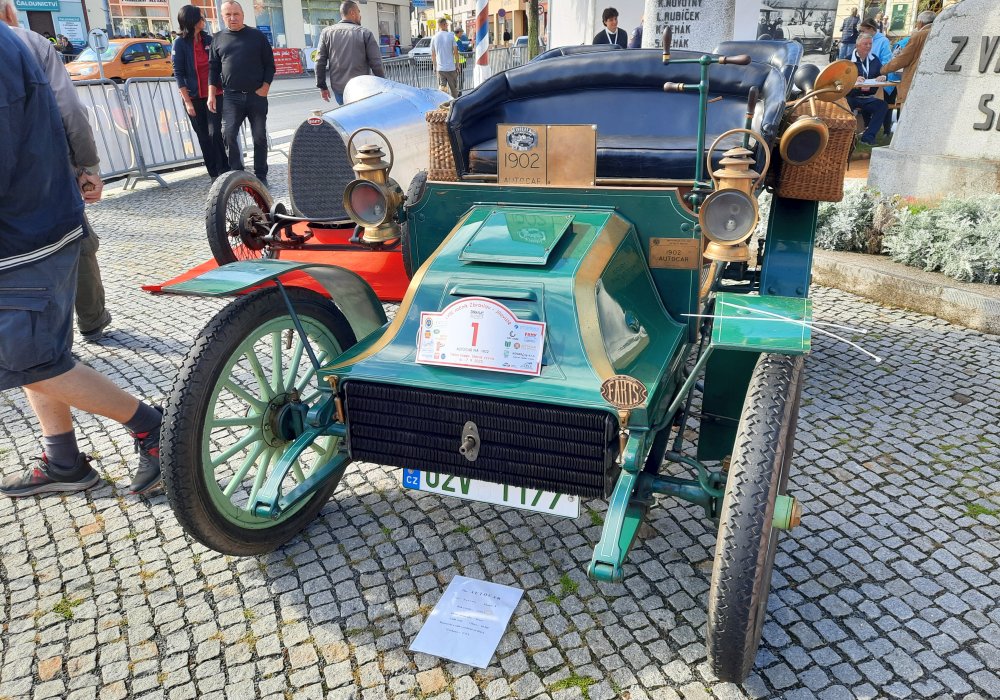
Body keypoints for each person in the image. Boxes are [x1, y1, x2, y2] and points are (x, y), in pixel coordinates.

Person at [0, 19, 163, 498]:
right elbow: (66, 111)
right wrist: (86, 167)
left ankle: (153, 429)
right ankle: (64, 460)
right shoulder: (16, 39)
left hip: (25, 235)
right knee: (34, 355)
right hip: (38, 224)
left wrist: (86, 167)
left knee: (33, 357)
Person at [1, 0, 113, 343]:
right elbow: (70, 111)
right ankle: (88, 320)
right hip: (44, 170)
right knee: (74, 239)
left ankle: (38, 342)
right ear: (8, 11)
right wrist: (88, 166)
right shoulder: (30, 43)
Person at [208, 0, 275, 187]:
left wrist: (265, 88)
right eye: (228, 14)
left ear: (242, 15)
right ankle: (238, 175)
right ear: (222, 17)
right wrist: (211, 94)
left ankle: (261, 175)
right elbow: (213, 69)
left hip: (256, 96)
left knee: (259, 136)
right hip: (231, 97)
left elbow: (270, 64)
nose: (232, 18)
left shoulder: (257, 36)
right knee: (228, 134)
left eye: (236, 14)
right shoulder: (218, 39)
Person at [173, 5, 229, 179]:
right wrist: (187, 101)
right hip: (194, 97)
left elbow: (219, 63)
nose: (204, 20)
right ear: (192, 20)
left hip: (214, 94)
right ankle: (214, 174)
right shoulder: (180, 43)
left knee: (215, 134)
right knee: (204, 137)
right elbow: (178, 73)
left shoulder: (209, 39)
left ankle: (225, 172)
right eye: (201, 17)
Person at [314, 0, 384, 106]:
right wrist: (382, 85)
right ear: (352, 12)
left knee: (346, 117)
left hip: (339, 89)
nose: (360, 16)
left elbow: (319, 62)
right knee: (362, 118)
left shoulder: (326, 33)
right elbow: (376, 63)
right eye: (359, 12)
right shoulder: (364, 33)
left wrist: (322, 86)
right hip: (362, 89)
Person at [878, 11, 935, 106]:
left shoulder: (919, 35)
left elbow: (902, 59)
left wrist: (883, 69)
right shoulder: (938, 32)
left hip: (915, 80)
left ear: (920, 22)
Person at [847, 33, 888, 146]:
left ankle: (868, 137)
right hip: (851, 96)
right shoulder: (847, 60)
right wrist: (854, 78)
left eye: (870, 44)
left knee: (882, 106)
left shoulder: (875, 59)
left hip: (868, 98)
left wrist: (883, 77)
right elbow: (840, 78)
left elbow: (883, 73)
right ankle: (848, 136)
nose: (869, 46)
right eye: (865, 44)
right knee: (846, 105)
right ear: (858, 45)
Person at [430, 17, 459, 98]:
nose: (447, 25)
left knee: (443, 91)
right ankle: (455, 106)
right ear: (444, 25)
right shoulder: (451, 36)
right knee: (454, 90)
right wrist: (457, 65)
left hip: (440, 69)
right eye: (446, 24)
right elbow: (456, 52)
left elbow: (433, 54)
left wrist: (434, 67)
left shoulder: (434, 37)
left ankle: (444, 107)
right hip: (450, 68)